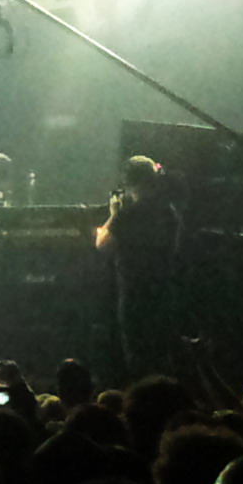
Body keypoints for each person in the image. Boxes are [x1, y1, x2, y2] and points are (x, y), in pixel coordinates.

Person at [96, 155, 180, 381]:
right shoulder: (168, 211)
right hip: (163, 290)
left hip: (134, 292)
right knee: (162, 353)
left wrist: (113, 214)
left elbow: (102, 244)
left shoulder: (129, 214)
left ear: (129, 182)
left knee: (137, 355)